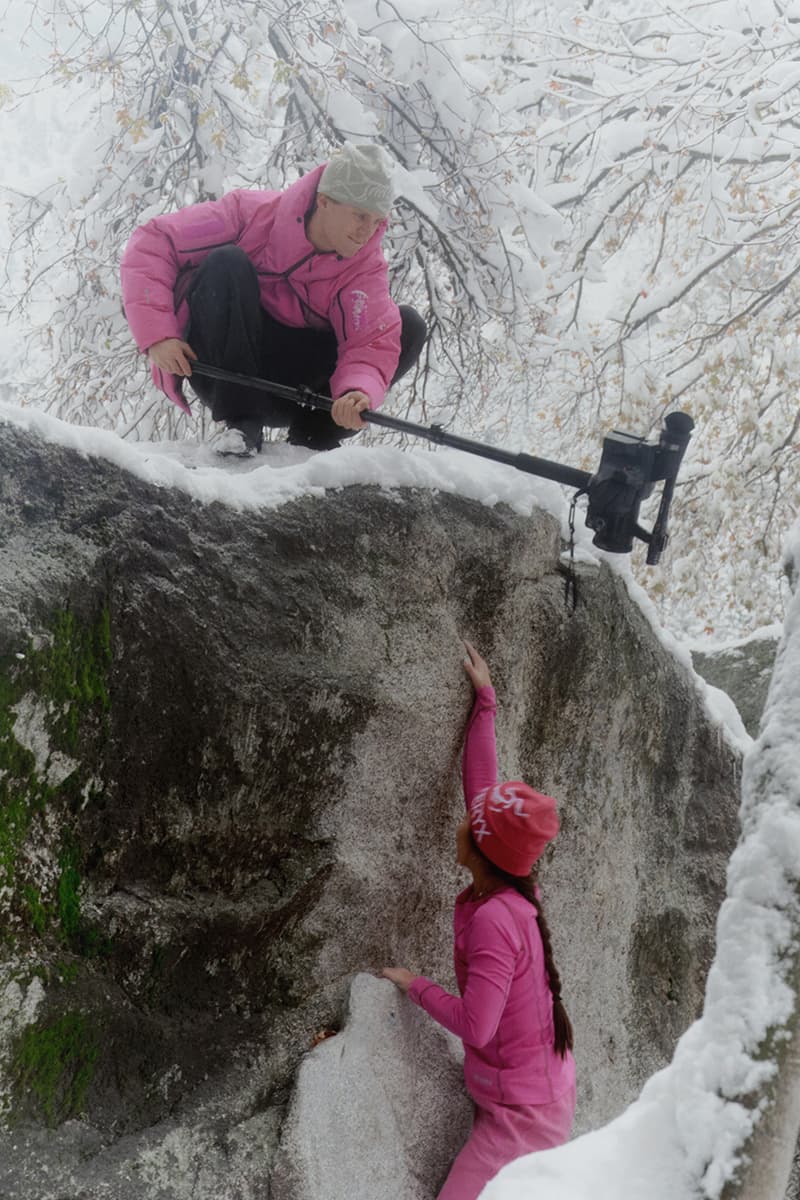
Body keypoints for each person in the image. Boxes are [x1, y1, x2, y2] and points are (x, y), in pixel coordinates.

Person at [383, 642, 576, 1200]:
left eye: (474, 824)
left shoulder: (495, 919)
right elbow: (482, 787)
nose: (464, 823)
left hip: (521, 1121)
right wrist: (485, 701)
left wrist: (414, 985)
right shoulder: (511, 883)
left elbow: (478, 1026)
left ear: (482, 849)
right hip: (536, 1090)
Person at [120, 142, 427, 455]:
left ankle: (314, 436)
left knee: (408, 325)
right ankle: (242, 424)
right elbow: (156, 241)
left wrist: (357, 392)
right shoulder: (250, 214)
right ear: (324, 201)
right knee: (227, 262)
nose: (367, 232)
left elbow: (370, 342)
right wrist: (158, 336)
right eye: (359, 216)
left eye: (377, 222)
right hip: (228, 369)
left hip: (301, 391)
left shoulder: (365, 269)